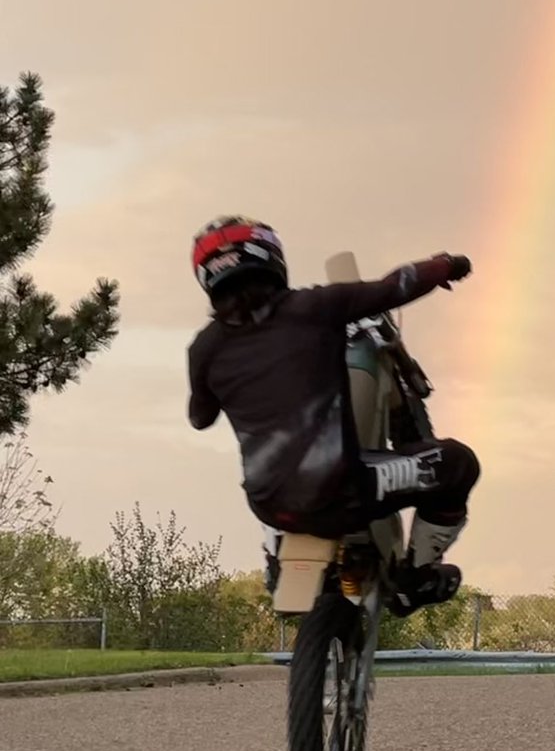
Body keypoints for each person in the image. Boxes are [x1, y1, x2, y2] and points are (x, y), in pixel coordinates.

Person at [186, 215, 480, 616]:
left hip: (269, 503)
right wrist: (447, 264)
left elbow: (200, 418)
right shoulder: (313, 308)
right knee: (459, 465)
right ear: (270, 257)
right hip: (345, 493)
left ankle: (276, 558)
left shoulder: (203, 349)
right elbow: (395, 287)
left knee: (274, 473)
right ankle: (415, 578)